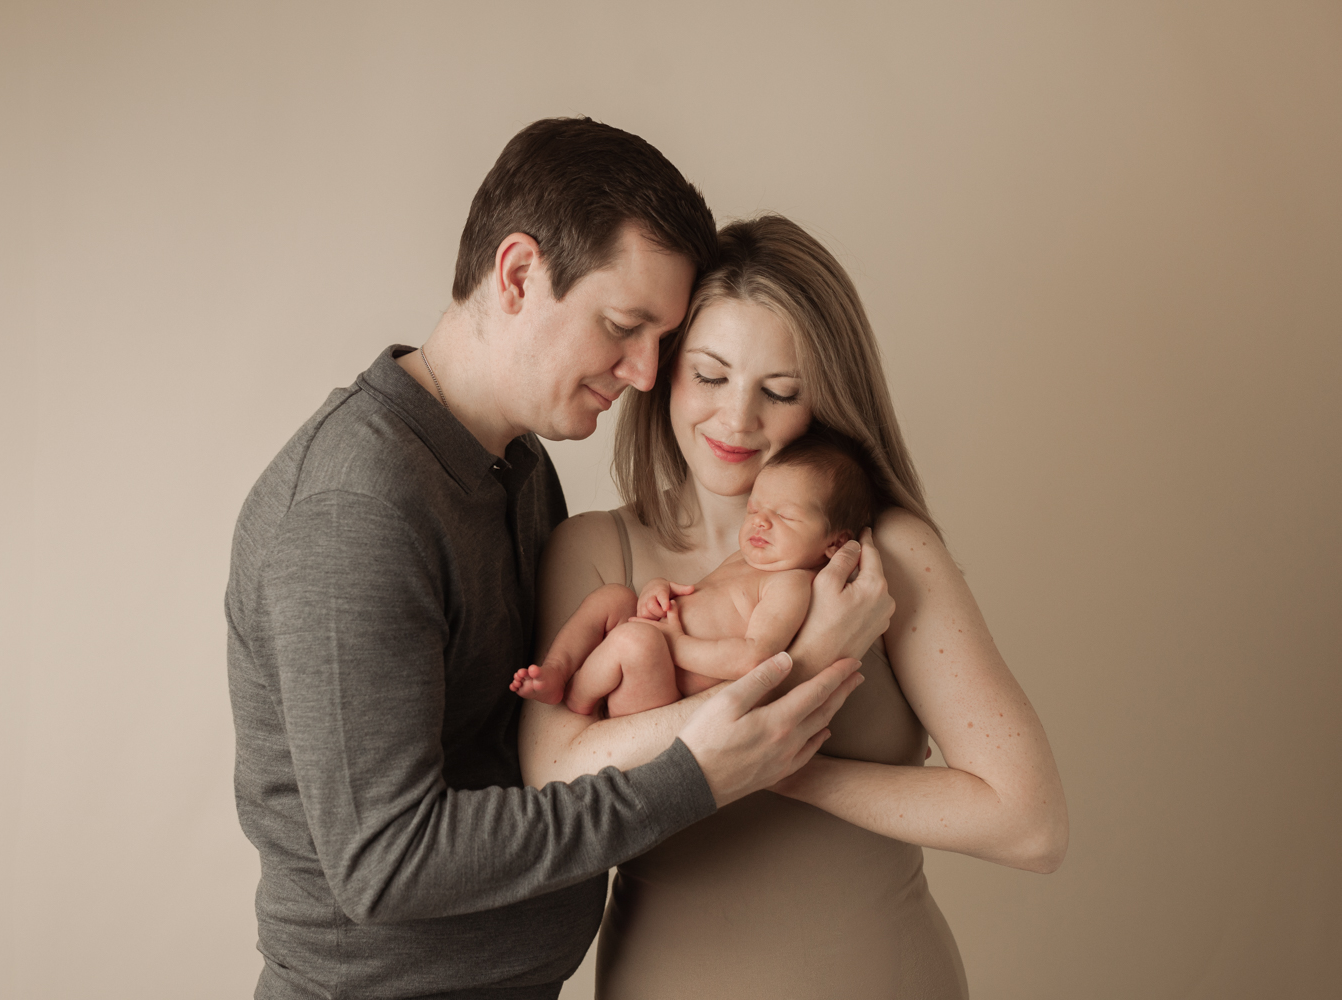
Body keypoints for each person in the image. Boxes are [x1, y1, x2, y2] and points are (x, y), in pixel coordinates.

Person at [225, 119, 879, 1000]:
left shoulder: (519, 471)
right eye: (624, 326)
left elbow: (548, 745)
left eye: (662, 339)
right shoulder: (354, 510)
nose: (648, 373)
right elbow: (384, 864)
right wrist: (692, 778)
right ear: (520, 274)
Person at [520, 215, 1070, 999]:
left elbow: (1031, 825)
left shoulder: (882, 558)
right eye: (710, 376)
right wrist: (800, 668)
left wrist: (784, 770)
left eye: (780, 392)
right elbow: (552, 778)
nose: (737, 421)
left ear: (825, 401)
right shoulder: (597, 552)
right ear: (663, 370)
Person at [511, 431, 880, 717]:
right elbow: (697, 596)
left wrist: (676, 643)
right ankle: (557, 669)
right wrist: (656, 591)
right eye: (754, 509)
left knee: (638, 642)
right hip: (651, 648)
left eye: (784, 516)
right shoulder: (746, 559)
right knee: (615, 597)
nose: (760, 522)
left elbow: (753, 659)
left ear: (835, 544)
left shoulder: (791, 584)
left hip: (659, 693)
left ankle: (578, 701)